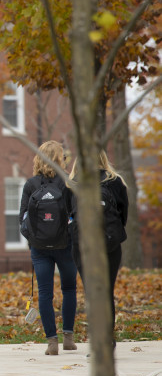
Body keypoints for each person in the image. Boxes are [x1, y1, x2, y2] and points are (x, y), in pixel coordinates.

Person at [19, 140, 77, 355]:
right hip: (65, 245)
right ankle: (68, 338)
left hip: (39, 247)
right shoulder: (68, 183)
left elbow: (22, 218)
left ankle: (52, 342)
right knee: (69, 289)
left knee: (45, 293)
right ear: (60, 159)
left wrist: (33, 239)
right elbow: (76, 215)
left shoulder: (31, 185)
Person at [69, 149, 128, 348]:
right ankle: (106, 340)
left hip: (82, 246)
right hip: (110, 244)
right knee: (106, 292)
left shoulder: (74, 183)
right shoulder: (116, 182)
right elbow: (123, 216)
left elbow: (68, 216)